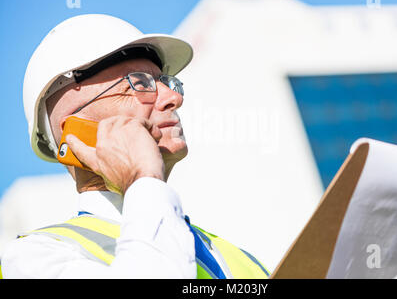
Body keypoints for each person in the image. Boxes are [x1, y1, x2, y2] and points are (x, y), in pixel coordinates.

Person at [0, 14, 269, 279]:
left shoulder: (243, 261)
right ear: (72, 129)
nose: (173, 97)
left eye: (166, 82)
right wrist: (143, 179)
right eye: (140, 83)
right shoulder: (34, 259)